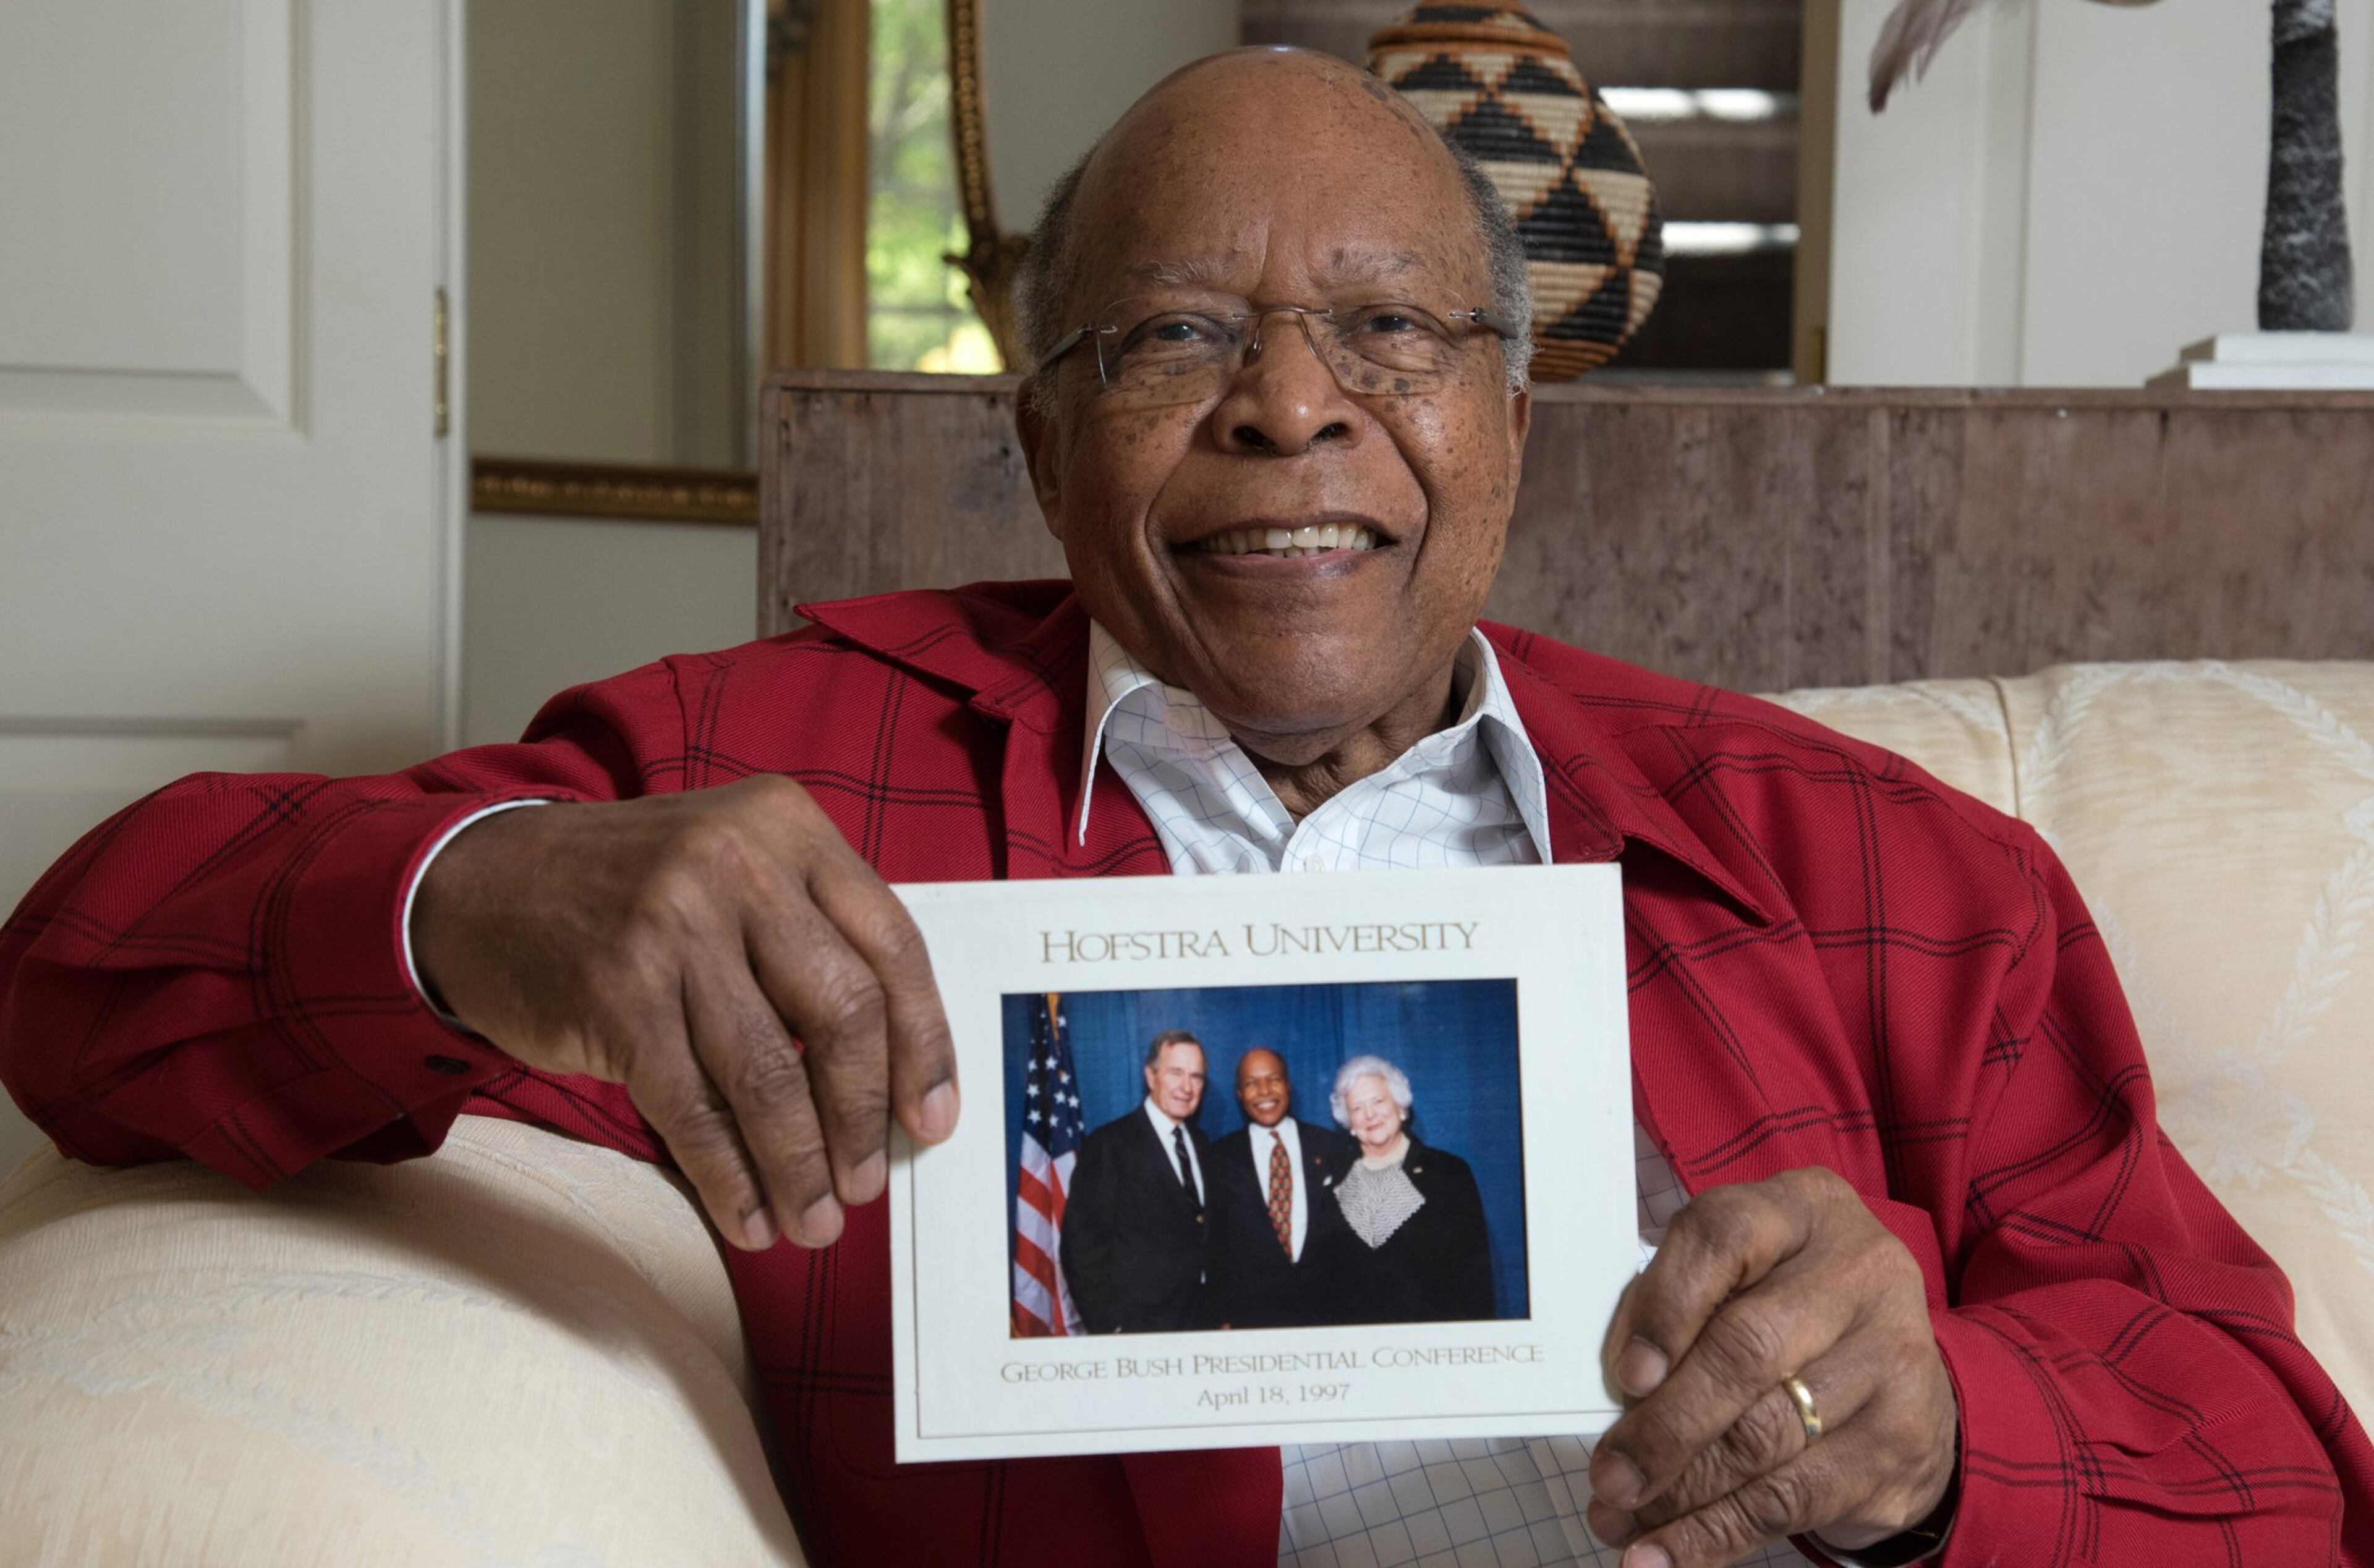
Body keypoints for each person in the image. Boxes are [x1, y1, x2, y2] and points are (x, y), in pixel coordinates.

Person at [1, 43, 2368, 1568]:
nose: (1290, 410)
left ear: (1513, 430)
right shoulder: (773, 773)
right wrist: (478, 899)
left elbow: (2272, 1451)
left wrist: (1947, 1444)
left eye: (1392, 333)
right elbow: (88, 974)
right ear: (1040, 443)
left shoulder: (1888, 866)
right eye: (1173, 339)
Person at [1309, 1055, 1491, 1326]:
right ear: (1350, 1124)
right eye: (1357, 1108)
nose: (1370, 1115)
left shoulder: (1448, 1172)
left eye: (1379, 1101)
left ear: (1401, 1107)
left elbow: (1474, 1276)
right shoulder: (1332, 1180)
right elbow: (1322, 1284)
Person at [1060, 1028, 1212, 1333]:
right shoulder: (1110, 1144)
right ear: (1151, 1076)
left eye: (1196, 1077)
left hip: (1199, 1324)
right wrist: (1111, 1328)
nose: (1186, 1087)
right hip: (1137, 1330)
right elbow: (1081, 1248)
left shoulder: (1201, 1142)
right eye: (1175, 1073)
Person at [1201, 1048, 1355, 1328]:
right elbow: (1215, 1249)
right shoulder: (1219, 1158)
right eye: (1251, 1083)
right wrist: (1221, 1318)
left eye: (1273, 1079)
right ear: (1239, 1095)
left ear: (1288, 1086)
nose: (1264, 1091)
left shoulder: (1330, 1146)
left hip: (1327, 1318)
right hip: (1252, 1321)